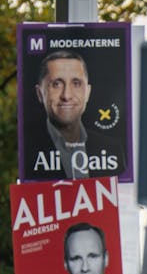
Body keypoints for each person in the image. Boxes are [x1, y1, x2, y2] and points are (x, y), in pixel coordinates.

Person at [26, 50, 125, 180]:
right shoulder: (26, 152)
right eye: (57, 84)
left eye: (76, 83)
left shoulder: (112, 149)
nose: (66, 95)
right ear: (40, 93)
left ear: (88, 92)